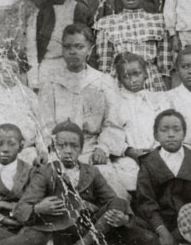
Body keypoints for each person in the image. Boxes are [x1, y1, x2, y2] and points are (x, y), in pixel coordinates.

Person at [0, 121, 129, 245]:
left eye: (74, 146)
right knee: (35, 236)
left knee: (120, 202)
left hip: (87, 227)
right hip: (61, 227)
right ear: (54, 148)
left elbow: (112, 201)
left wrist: (124, 218)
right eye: (62, 145)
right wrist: (38, 208)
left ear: (81, 149)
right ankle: (91, 244)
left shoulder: (91, 172)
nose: (68, 151)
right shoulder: (45, 172)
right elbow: (21, 208)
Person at [36, 24, 130, 198]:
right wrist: (44, 148)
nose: (73, 52)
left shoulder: (103, 82)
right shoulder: (51, 81)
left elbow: (113, 122)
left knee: (113, 192)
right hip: (60, 149)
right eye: (67, 47)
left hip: (90, 148)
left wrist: (104, 147)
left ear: (89, 49)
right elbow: (44, 122)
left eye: (79, 47)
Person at [123, 109, 191, 245]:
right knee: (133, 233)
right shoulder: (148, 162)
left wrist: (183, 230)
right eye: (164, 130)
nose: (171, 134)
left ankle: (175, 243)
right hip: (159, 224)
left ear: (184, 134)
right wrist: (163, 232)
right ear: (156, 135)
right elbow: (146, 201)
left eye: (176, 130)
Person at [98, 52, 168, 193]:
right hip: (129, 155)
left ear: (146, 74)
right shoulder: (116, 102)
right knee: (128, 177)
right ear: (119, 79)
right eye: (126, 76)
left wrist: (156, 149)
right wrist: (129, 151)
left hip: (157, 151)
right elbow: (111, 131)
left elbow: (165, 126)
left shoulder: (158, 99)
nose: (133, 80)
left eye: (137, 74)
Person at [95, 0, 172, 91]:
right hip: (120, 83)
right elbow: (104, 67)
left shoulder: (158, 21)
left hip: (151, 83)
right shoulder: (107, 24)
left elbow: (165, 67)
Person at [26, 0, 92, 90]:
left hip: (75, 67)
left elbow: (89, 43)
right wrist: (33, 80)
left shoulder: (79, 9)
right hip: (47, 68)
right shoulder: (39, 12)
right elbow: (32, 46)